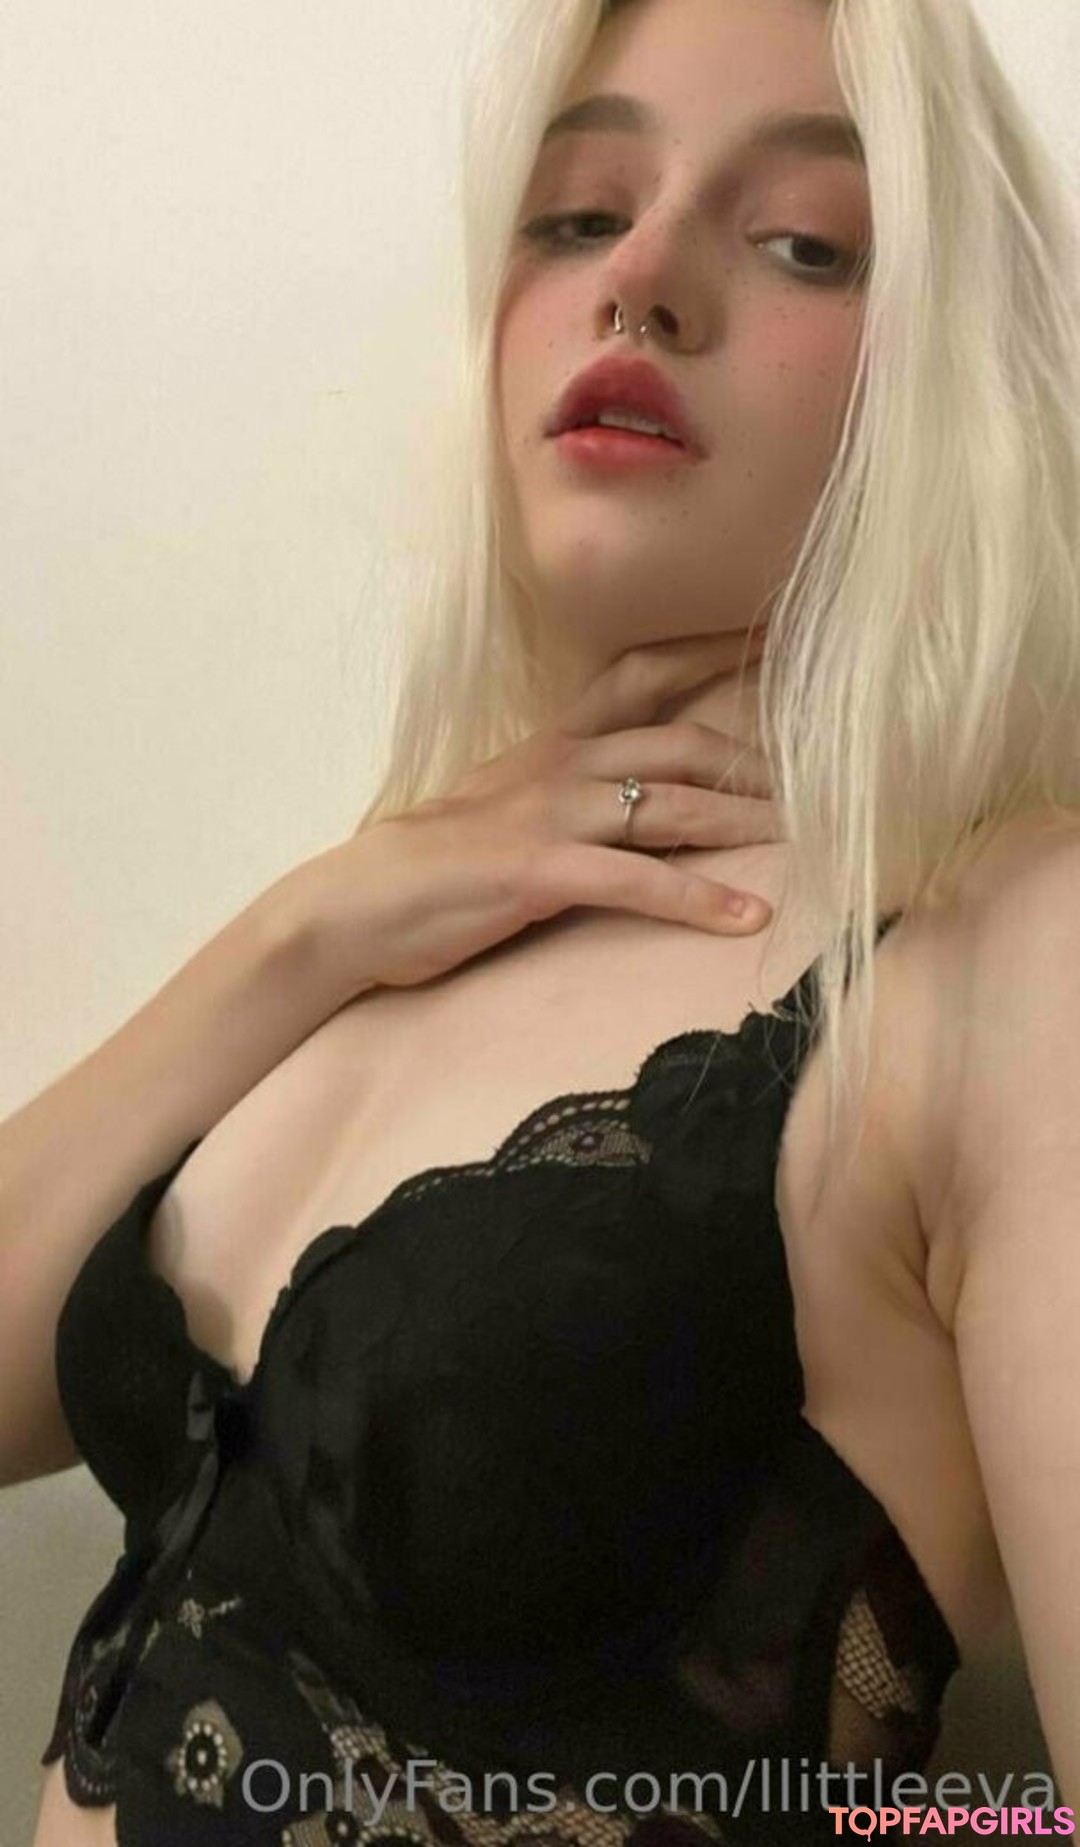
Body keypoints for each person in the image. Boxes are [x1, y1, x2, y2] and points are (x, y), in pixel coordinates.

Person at [6, 0, 1080, 1841]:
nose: (640, 278)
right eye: (578, 214)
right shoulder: (390, 916)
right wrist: (303, 928)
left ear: (948, 374)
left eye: (804, 241)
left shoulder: (1008, 950)